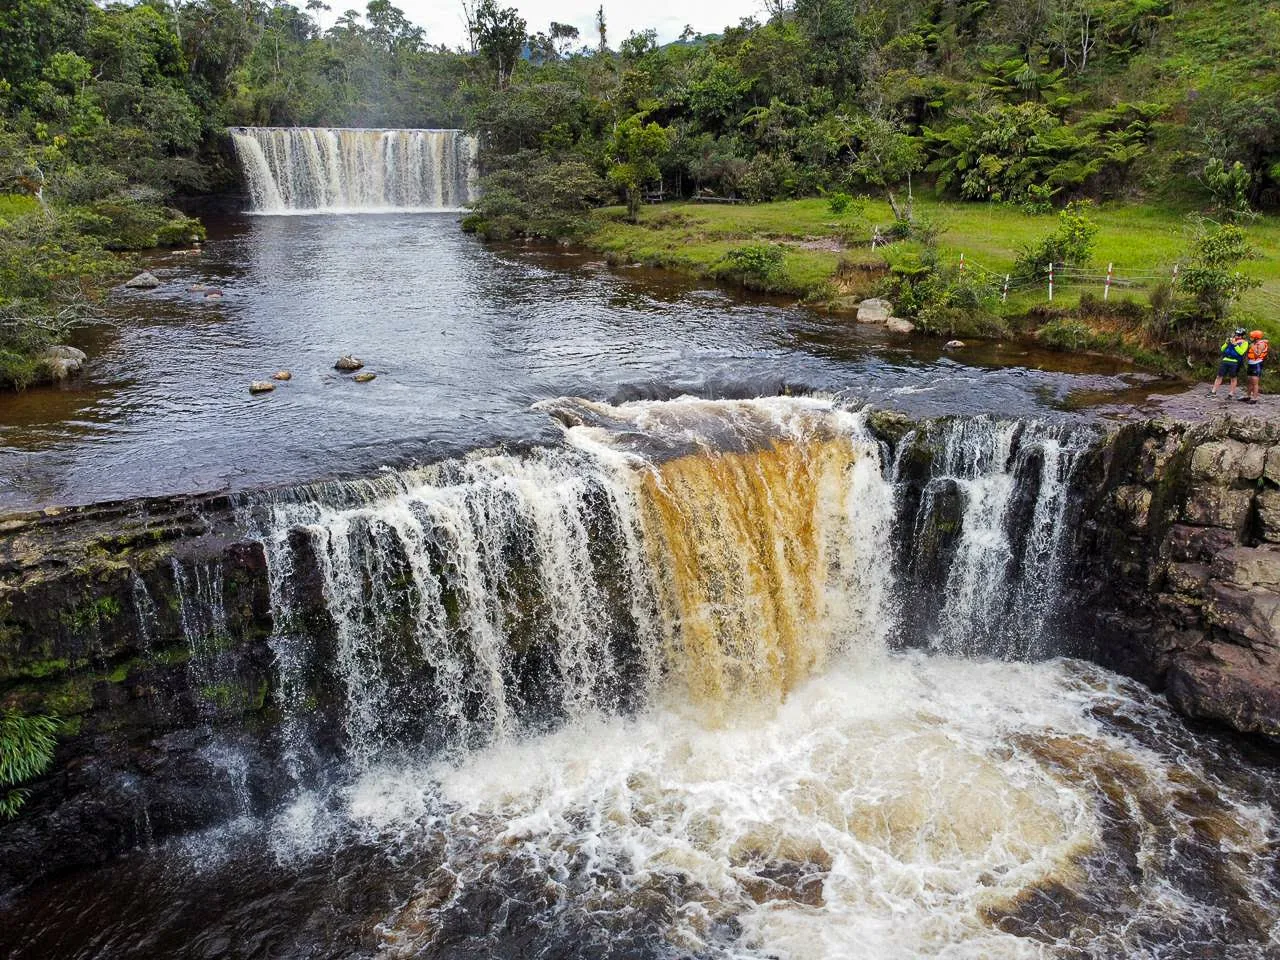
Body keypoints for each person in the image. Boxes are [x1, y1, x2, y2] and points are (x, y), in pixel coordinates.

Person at [1211, 328, 1249, 398]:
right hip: (1225, 360)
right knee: (1219, 376)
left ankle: (1231, 394)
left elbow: (1241, 352)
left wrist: (1235, 345)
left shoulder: (1245, 343)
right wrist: (1226, 343)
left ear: (1242, 336)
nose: (1237, 336)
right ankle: (1213, 392)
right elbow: (1222, 349)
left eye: (1239, 335)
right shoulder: (1231, 340)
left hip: (1235, 362)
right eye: (1236, 334)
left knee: (1233, 378)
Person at [1243, 329, 1269, 404]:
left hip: (1257, 363)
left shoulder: (1261, 344)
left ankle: (1254, 398)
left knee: (1255, 382)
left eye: (1252, 337)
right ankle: (1248, 396)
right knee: (1249, 380)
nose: (1250, 338)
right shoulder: (1255, 343)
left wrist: (1253, 347)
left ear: (1256, 338)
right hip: (1251, 363)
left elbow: (1258, 354)